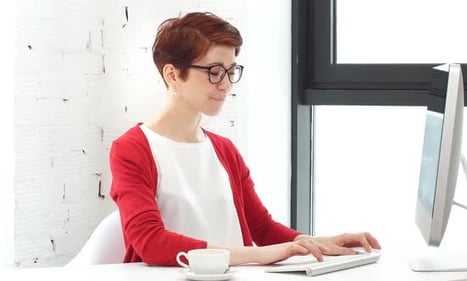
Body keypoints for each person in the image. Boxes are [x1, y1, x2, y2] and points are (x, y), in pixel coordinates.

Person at [109, 11, 381, 266]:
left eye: (230, 71)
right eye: (214, 72)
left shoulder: (224, 150)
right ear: (173, 75)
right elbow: (151, 243)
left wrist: (316, 242)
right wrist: (257, 255)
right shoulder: (133, 149)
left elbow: (261, 228)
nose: (226, 85)